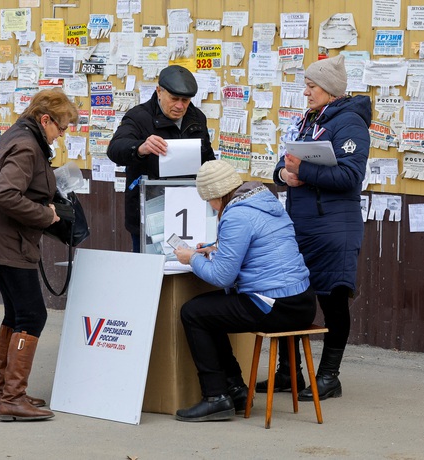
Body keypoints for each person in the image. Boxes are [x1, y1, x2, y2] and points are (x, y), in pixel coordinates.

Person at [259, 54, 371, 401]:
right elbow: (286, 161)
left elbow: (351, 176)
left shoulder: (350, 123)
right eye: (306, 86)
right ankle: (289, 373)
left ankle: (329, 376)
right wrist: (284, 174)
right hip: (301, 224)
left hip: (335, 227)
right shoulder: (309, 120)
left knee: (334, 300)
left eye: (311, 86)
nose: (305, 93)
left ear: (330, 90)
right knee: (292, 297)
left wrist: (303, 172)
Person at [172, 160, 317, 422]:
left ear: (216, 195)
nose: (210, 206)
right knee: (210, 313)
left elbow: (221, 277)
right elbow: (262, 244)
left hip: (275, 304)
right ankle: (235, 390)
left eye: (209, 200)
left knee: (194, 312)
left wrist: (191, 258)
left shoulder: (236, 214)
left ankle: (216, 396)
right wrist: (217, 248)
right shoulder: (265, 202)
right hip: (301, 300)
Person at [0, 88, 79, 422]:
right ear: (44, 119)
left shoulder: (20, 135)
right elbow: (5, 195)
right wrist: (47, 215)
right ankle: (13, 398)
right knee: (33, 316)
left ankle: (3, 390)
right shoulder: (27, 146)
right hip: (8, 241)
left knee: (16, 313)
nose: (62, 134)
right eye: (61, 127)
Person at [107, 65, 216, 252]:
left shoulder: (197, 118)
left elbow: (207, 157)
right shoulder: (138, 116)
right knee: (148, 272)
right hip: (150, 211)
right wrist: (140, 148)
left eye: (186, 100)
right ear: (159, 91)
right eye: (174, 99)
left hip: (189, 208)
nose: (180, 106)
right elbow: (114, 149)